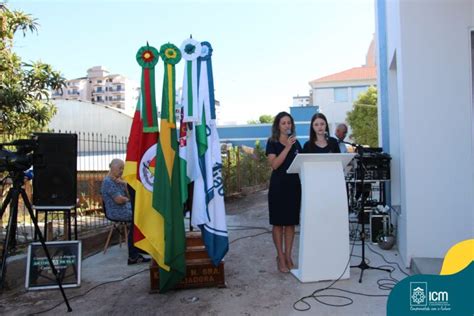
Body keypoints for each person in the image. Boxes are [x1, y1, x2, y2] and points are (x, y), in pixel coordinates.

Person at [265, 112, 302, 273]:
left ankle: (288, 255)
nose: (287, 125)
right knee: (278, 223)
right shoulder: (272, 142)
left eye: (289, 123)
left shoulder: (297, 143)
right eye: (283, 123)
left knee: (290, 224)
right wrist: (287, 147)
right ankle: (280, 256)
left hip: (294, 186)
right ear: (278, 126)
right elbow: (274, 165)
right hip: (278, 187)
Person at [101, 158, 150, 265]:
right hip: (116, 211)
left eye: (123, 168)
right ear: (112, 167)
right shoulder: (108, 182)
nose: (122, 171)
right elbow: (119, 200)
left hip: (125, 208)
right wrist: (128, 200)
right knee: (138, 217)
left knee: (142, 214)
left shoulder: (118, 180)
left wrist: (124, 184)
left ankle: (139, 246)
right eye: (120, 168)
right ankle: (134, 253)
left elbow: (127, 195)